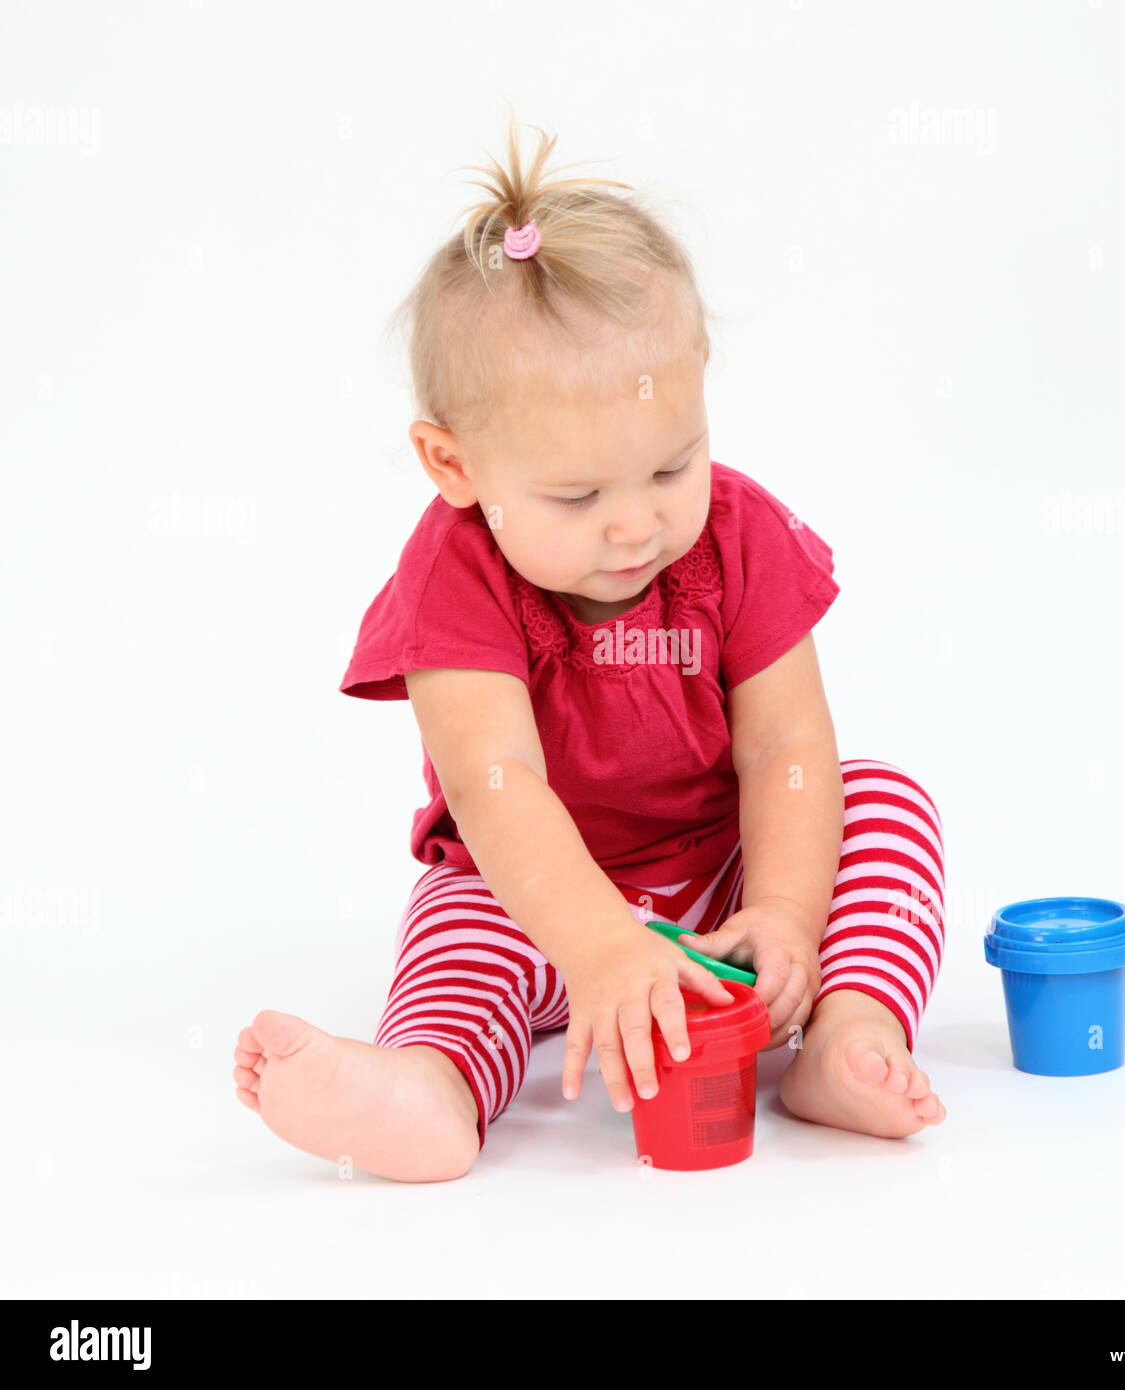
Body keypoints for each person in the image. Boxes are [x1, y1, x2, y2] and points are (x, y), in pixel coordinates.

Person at [233, 114, 946, 1181]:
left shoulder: (739, 535)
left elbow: (785, 743)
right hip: (532, 903)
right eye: (575, 494)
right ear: (452, 463)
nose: (635, 525)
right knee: (461, 939)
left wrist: (786, 916)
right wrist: (602, 946)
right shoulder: (454, 573)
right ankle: (428, 1086)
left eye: (671, 468)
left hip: (720, 883)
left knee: (882, 799)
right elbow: (494, 782)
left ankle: (847, 1035)